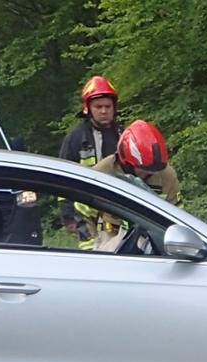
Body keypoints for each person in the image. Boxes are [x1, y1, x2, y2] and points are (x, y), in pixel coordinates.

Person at [86, 120, 180, 252]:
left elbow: (177, 215)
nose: (149, 173)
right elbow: (82, 210)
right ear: (126, 161)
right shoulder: (103, 171)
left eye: (153, 169)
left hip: (153, 243)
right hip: (110, 239)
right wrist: (89, 248)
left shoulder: (166, 175)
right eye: (143, 168)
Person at [58, 76, 121, 248]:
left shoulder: (122, 135)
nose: (103, 111)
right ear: (88, 108)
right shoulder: (75, 138)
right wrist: (68, 215)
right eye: (98, 107)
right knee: (91, 253)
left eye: (107, 106)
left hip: (118, 208)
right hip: (84, 210)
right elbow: (63, 178)